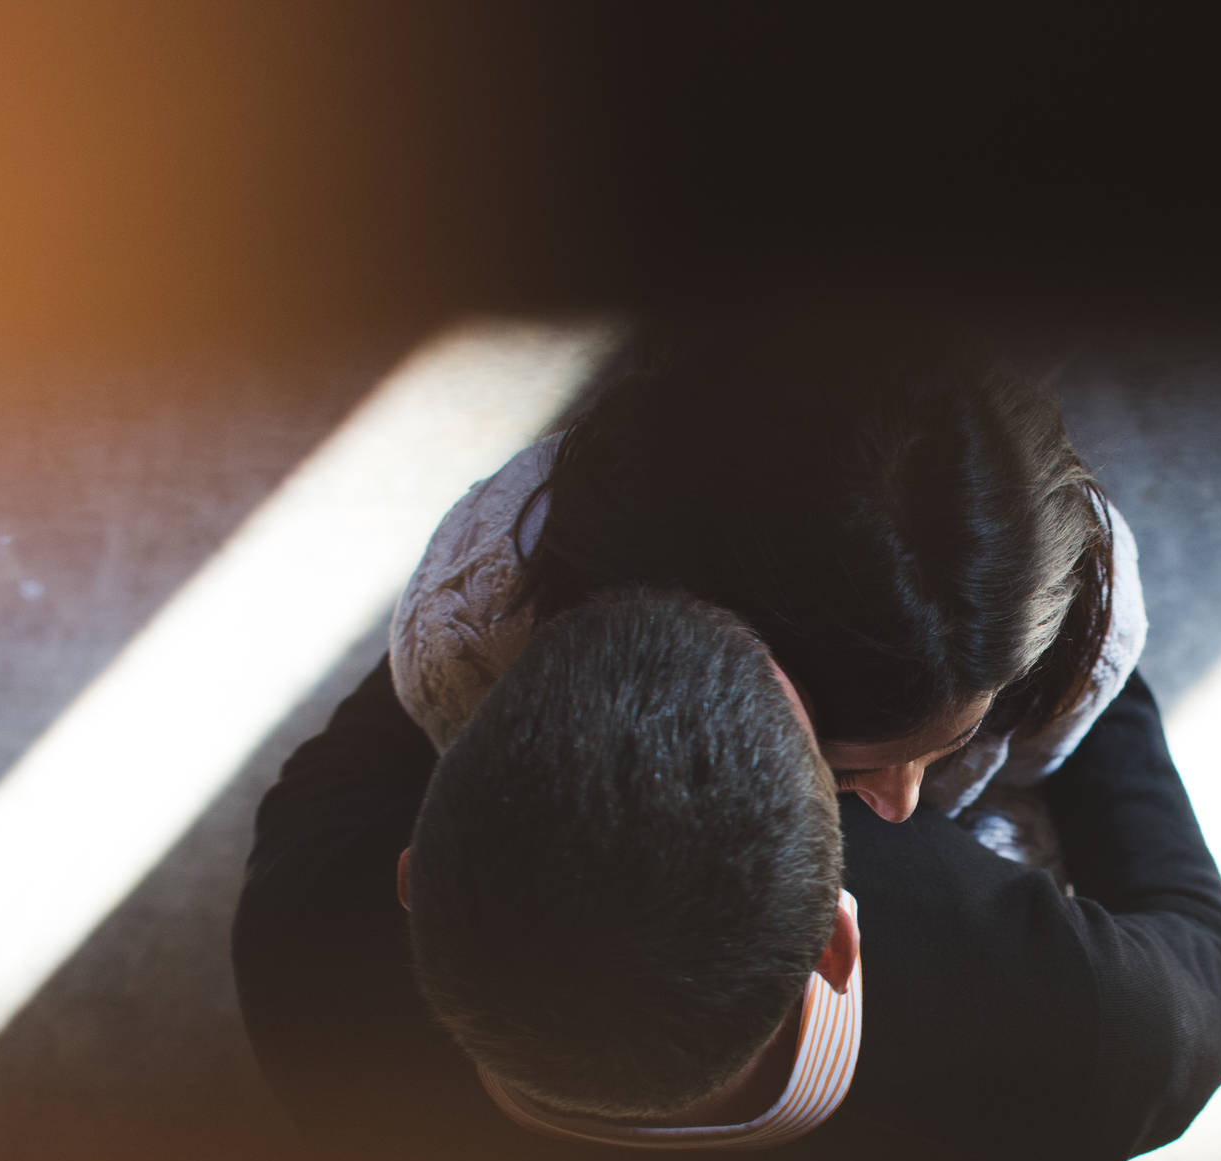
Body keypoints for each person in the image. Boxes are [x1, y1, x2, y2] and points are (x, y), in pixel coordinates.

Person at [233, 588, 1221, 1161]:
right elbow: (1208, 960)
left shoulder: (302, 969)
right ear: (838, 945)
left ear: (414, 878)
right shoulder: (1079, 1050)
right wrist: (1093, 663)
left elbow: (350, 754)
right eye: (820, 733)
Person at [388, 316, 1147, 870]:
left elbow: (1016, 792)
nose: (903, 809)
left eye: (946, 749)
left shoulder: (1085, 627)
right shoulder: (476, 635)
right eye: (845, 769)